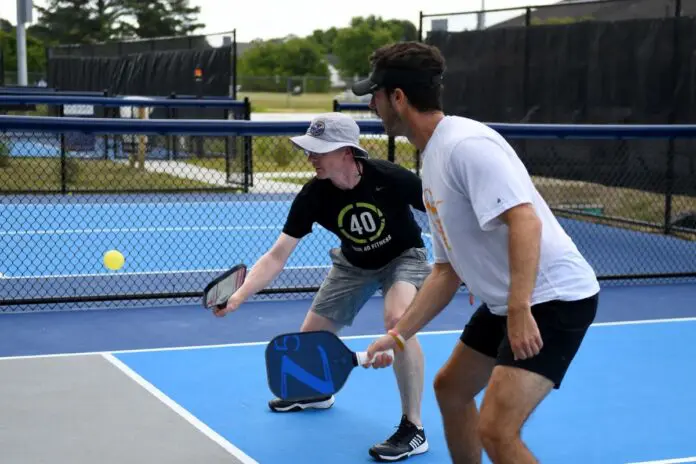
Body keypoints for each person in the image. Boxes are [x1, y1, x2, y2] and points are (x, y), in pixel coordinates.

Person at [354, 42, 600, 463]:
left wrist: (521, 309)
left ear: (398, 97)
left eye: (375, 94)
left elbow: (525, 220)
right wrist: (396, 337)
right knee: (450, 389)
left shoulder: (466, 145)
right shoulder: (433, 156)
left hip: (553, 298)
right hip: (509, 301)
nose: (372, 104)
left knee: (497, 430)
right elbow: (446, 272)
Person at [214, 112, 431, 462]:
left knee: (398, 321)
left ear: (347, 152)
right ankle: (318, 393)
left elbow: (444, 212)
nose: (310, 156)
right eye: (309, 149)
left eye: (319, 150)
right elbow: (276, 256)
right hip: (353, 265)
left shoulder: (389, 177)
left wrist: (463, 265)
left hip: (403, 257)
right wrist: (239, 296)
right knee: (309, 343)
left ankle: (414, 428)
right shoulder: (314, 194)